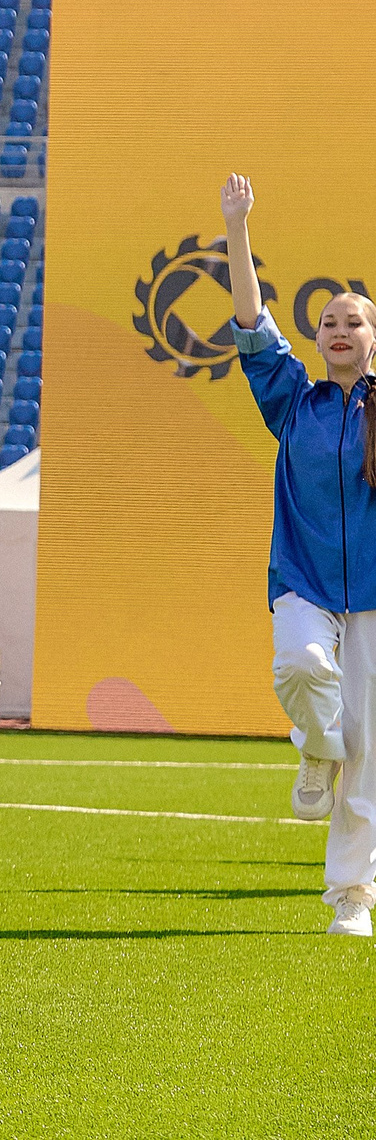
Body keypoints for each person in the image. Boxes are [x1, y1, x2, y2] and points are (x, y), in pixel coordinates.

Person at [223, 172, 376, 935]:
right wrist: (237, 227)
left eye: (352, 321)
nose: (337, 329)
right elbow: (253, 323)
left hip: (375, 595)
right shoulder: (294, 401)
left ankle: (351, 896)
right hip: (304, 581)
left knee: (370, 753)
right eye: (327, 322)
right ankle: (316, 745)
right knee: (300, 667)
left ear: (372, 340)